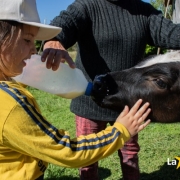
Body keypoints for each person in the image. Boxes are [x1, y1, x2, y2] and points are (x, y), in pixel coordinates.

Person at [0, 0, 151, 180]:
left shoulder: (8, 85)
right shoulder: (9, 106)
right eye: (26, 40)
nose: (34, 50)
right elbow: (68, 151)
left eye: (33, 41)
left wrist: (38, 71)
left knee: (129, 153)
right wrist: (121, 131)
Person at [43, 0, 180, 179]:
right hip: (90, 99)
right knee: (87, 158)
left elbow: (173, 34)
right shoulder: (87, 5)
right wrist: (54, 39)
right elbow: (65, 22)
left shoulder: (144, 12)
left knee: (129, 156)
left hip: (127, 102)